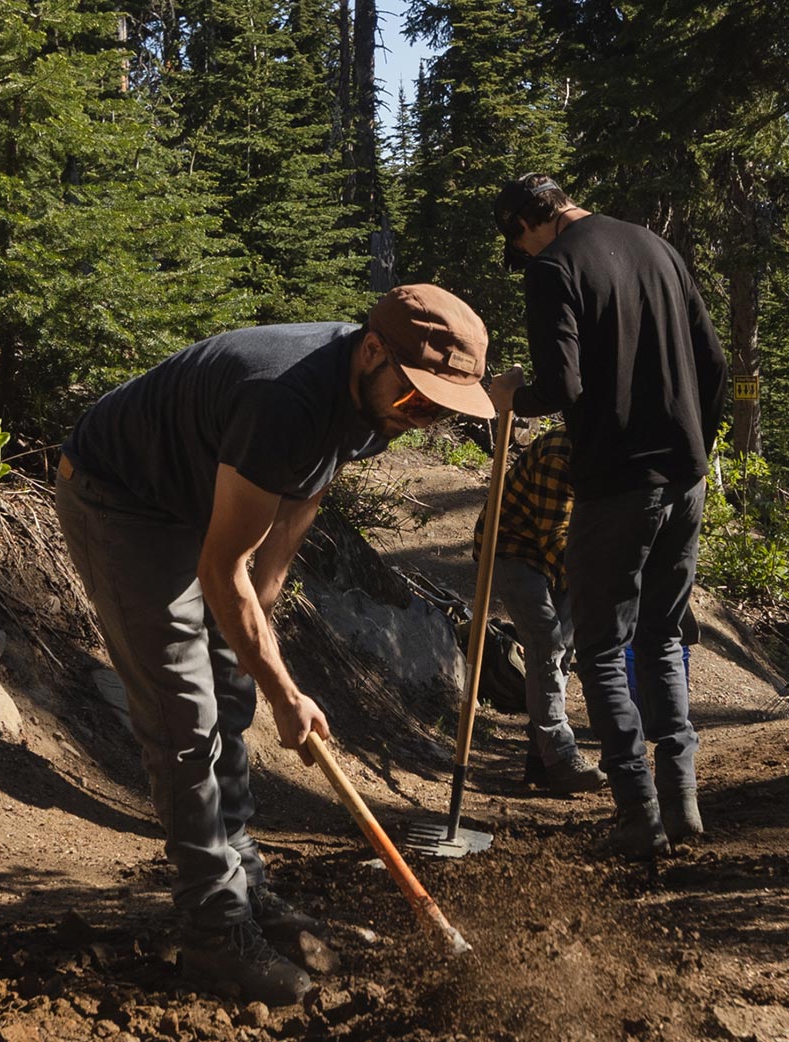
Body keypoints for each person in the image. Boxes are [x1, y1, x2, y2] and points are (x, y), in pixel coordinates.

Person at [55, 285, 493, 1004]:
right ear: (374, 350)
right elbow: (219, 565)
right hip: (120, 500)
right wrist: (287, 695)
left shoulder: (373, 398)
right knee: (185, 717)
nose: (421, 418)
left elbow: (298, 504)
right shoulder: (284, 398)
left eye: (438, 409)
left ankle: (245, 882)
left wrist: (257, 631)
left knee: (228, 690)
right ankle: (213, 931)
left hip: (194, 502)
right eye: (418, 401)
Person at [487, 174, 727, 859]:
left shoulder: (556, 269)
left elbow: (563, 386)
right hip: (685, 479)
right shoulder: (658, 248)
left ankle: (638, 812)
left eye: (520, 243)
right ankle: (682, 802)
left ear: (530, 223)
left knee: (599, 647)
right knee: (658, 637)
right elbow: (712, 366)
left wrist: (511, 395)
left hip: (617, 486)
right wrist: (692, 451)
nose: (524, 256)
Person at [472, 420, 605, 795]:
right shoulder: (561, 453)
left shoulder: (611, 452)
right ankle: (561, 758)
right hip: (512, 548)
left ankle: (540, 760)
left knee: (563, 650)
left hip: (564, 553)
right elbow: (556, 539)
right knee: (547, 642)